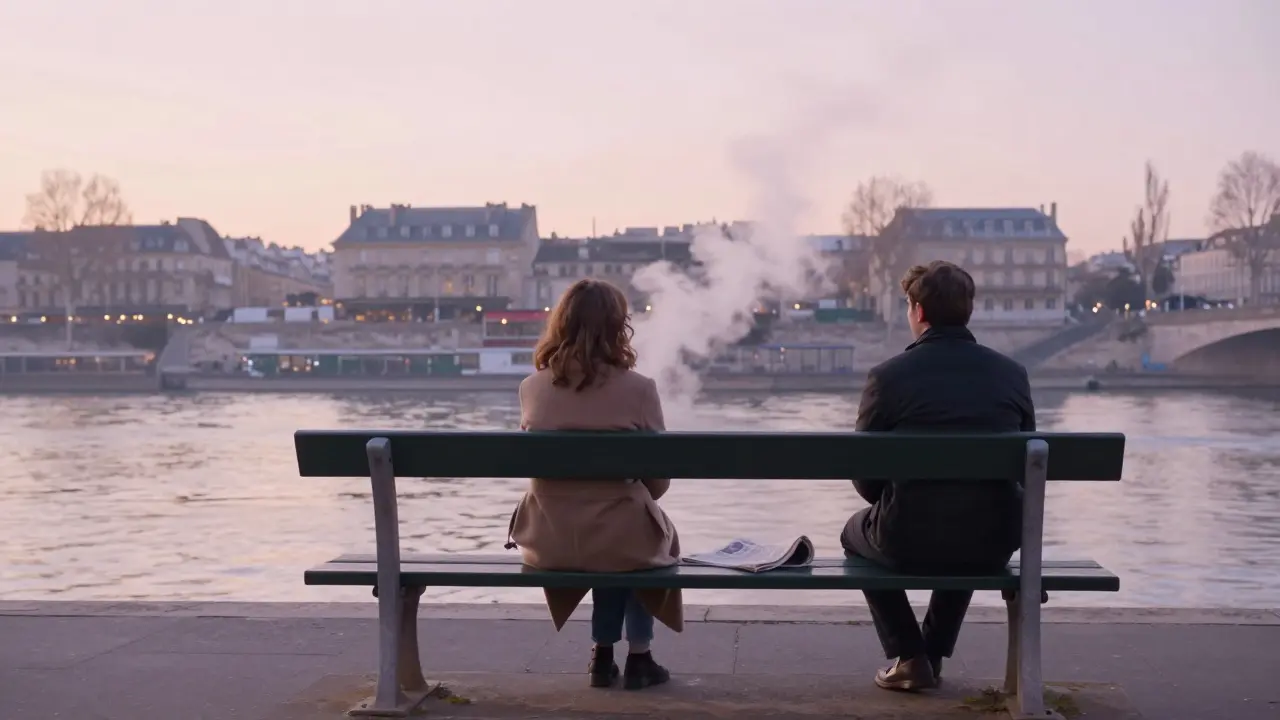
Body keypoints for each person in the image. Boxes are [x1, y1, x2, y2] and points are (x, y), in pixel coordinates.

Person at [842, 260, 1035, 691]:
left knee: (852, 536)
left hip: (905, 538)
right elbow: (1025, 466)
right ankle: (931, 652)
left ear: (918, 311)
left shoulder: (887, 377)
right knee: (975, 510)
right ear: (968, 311)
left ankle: (911, 656)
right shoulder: (1011, 374)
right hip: (993, 540)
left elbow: (866, 479)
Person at [507, 278, 680, 691]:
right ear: (619, 327)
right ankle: (639, 656)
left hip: (549, 538)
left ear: (560, 323)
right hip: (618, 539)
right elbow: (657, 483)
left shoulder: (531, 387)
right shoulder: (639, 389)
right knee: (638, 534)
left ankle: (602, 654)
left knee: (616, 531)